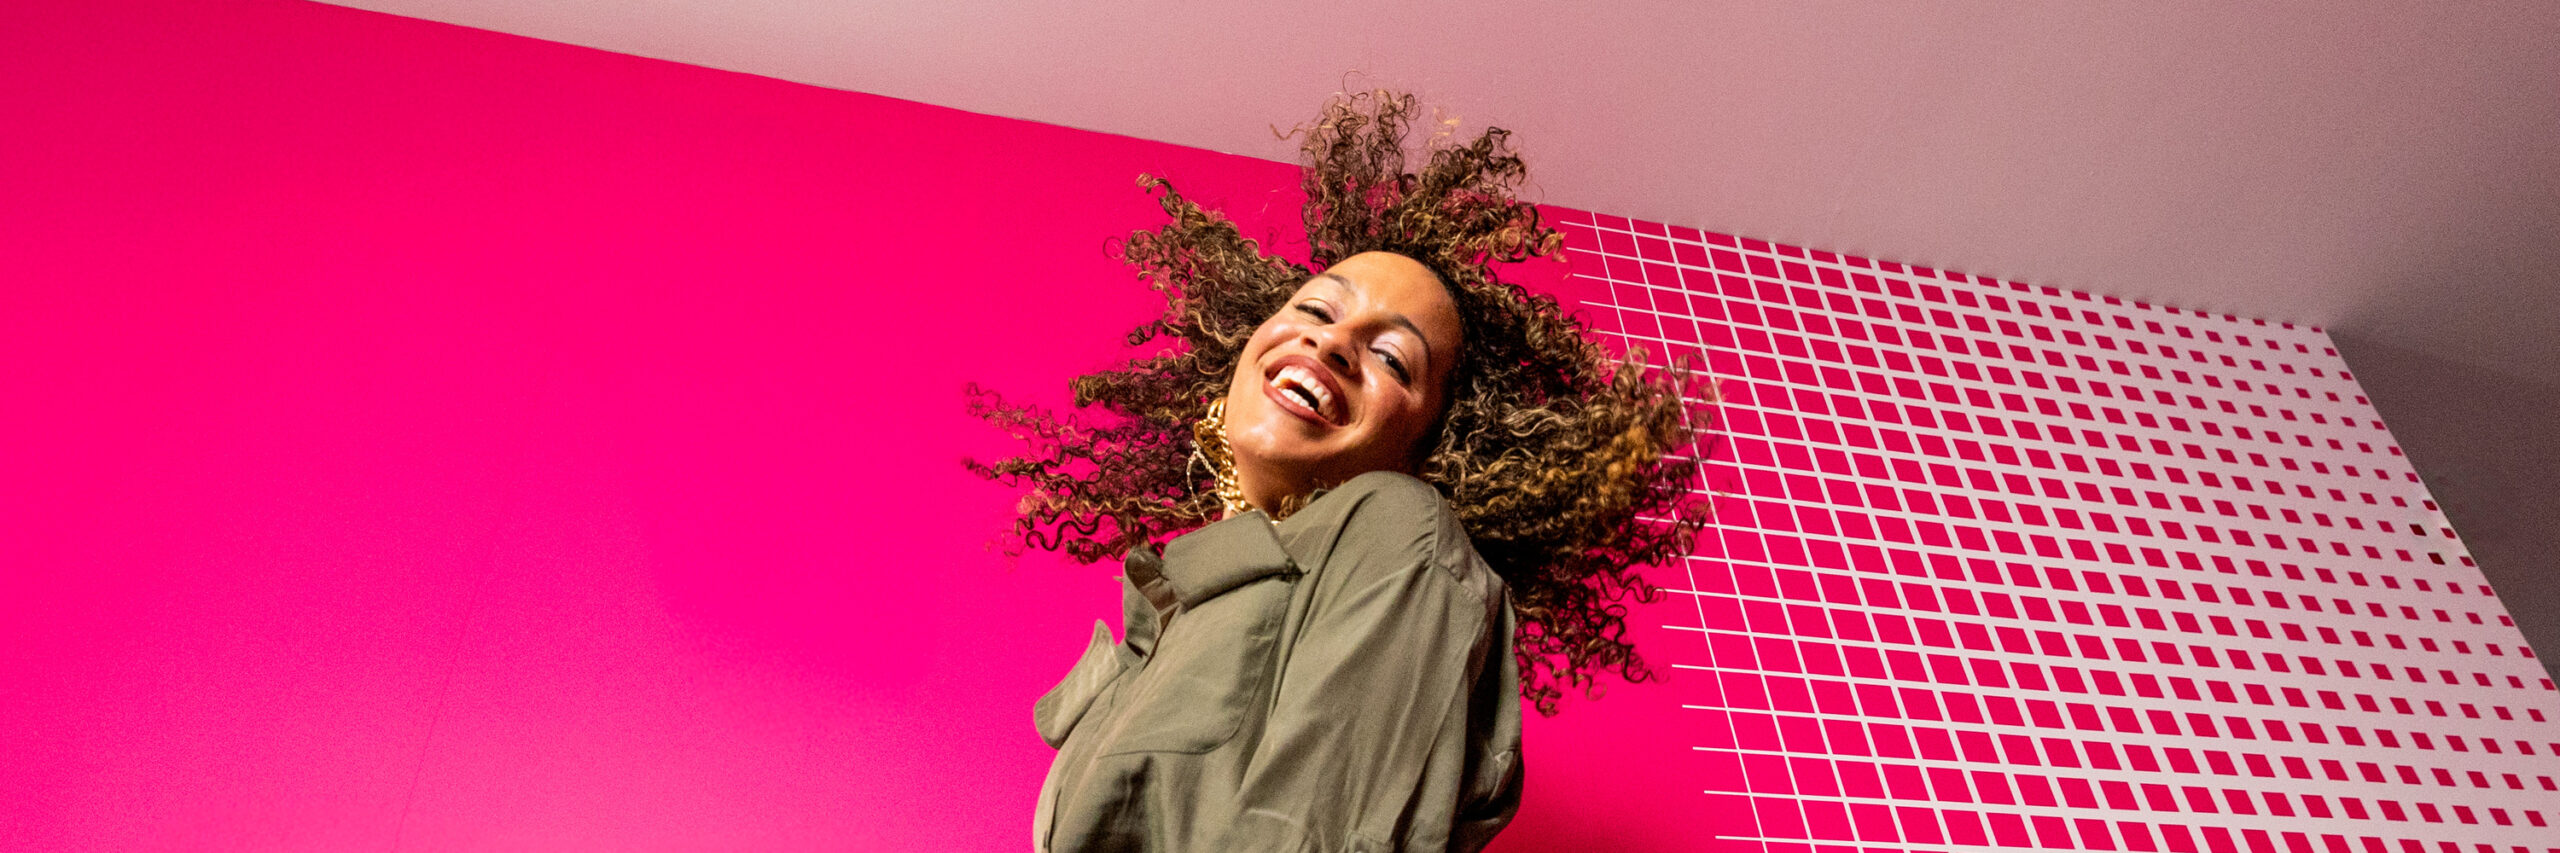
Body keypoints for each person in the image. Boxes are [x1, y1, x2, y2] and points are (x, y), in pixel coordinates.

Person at [968, 91, 1707, 852]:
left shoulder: (1400, 530)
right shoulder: (1171, 611)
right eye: (1318, 311)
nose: (1332, 345)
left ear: (1432, 447)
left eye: (1392, 357)